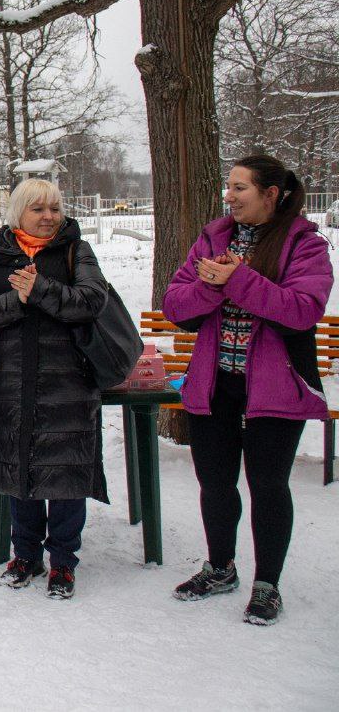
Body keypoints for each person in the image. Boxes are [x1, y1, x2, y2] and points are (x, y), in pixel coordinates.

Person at [163, 155, 333, 626]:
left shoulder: (304, 244)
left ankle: (267, 584)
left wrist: (237, 278)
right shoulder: (214, 237)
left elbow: (302, 309)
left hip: (275, 387)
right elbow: (176, 303)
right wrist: (214, 287)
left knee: (268, 484)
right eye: (229, 187)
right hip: (215, 382)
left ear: (271, 193)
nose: (230, 196)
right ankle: (219, 568)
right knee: (215, 483)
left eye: (240, 188)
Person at [0, 179, 108, 600]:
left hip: (67, 384)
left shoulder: (75, 250)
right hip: (11, 381)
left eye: (54, 209)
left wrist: (39, 289)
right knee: (17, 467)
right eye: (38, 209)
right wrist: (17, 300)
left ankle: (63, 560)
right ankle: (25, 554)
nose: (48, 217)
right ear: (18, 214)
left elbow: (91, 300)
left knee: (65, 473)